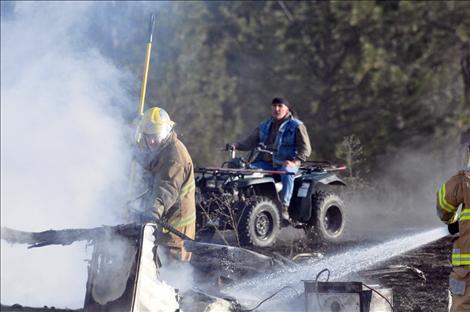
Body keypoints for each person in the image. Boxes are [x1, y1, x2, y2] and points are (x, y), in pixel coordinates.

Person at [231, 97, 311, 220]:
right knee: (246, 171)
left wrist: (295, 161)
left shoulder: (296, 126)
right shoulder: (264, 125)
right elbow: (250, 141)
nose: (276, 109)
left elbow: (306, 149)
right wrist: (236, 145)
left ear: (287, 109)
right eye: (274, 106)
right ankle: (242, 202)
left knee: (287, 172)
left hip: (286, 163)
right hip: (266, 163)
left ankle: (284, 207)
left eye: (280, 106)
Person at [134, 107, 196, 262]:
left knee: (171, 276)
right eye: (149, 136)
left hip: (175, 230)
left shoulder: (175, 156)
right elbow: (153, 164)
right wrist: (135, 155)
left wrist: (152, 213)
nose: (153, 140)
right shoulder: (162, 148)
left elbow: (166, 189)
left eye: (157, 136)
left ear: (167, 131)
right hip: (164, 223)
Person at [436, 144, 470, 312]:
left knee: (463, 307)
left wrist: (452, 220)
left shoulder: (463, 181)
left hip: (468, 267)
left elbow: (443, 207)